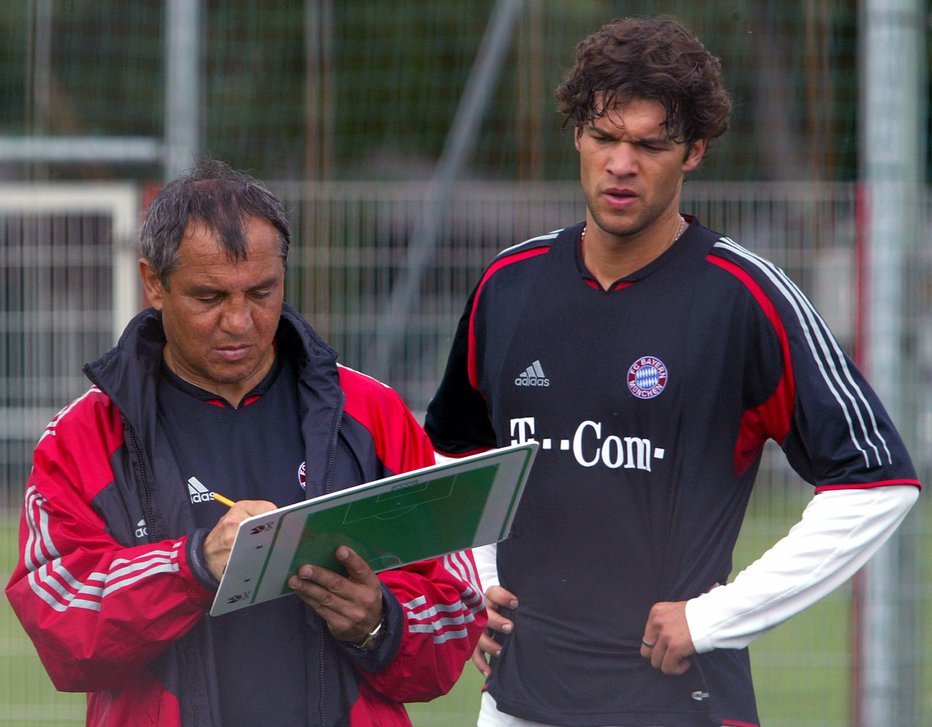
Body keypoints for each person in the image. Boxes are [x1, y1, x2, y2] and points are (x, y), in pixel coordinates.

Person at [424, 15, 920, 727]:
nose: (621, 163)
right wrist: (477, 577)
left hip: (680, 705)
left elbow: (879, 482)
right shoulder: (509, 284)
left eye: (650, 143)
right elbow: (452, 449)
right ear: (577, 137)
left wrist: (719, 615)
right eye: (604, 138)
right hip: (517, 702)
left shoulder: (744, 297)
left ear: (693, 151)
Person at [5, 159, 486, 727]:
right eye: (209, 297)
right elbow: (63, 630)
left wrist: (380, 622)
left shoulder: (373, 415)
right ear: (154, 283)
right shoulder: (81, 439)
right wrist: (192, 565)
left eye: (261, 292)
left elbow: (454, 605)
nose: (240, 322)